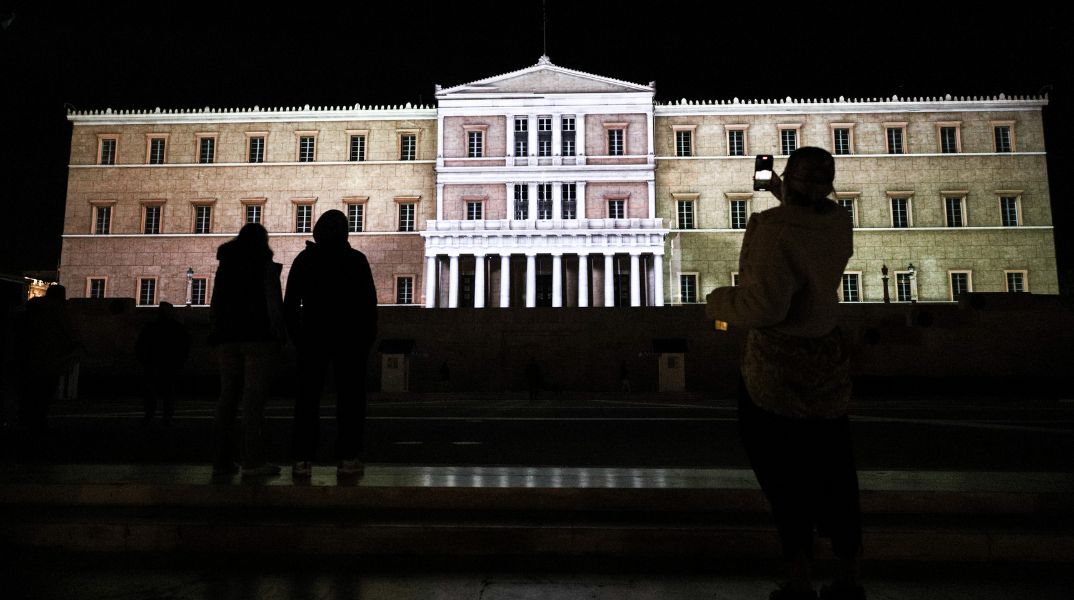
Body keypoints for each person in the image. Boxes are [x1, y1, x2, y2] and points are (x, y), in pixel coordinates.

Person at [706, 147, 864, 600]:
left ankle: (798, 580)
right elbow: (808, 220)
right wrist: (783, 191)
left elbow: (765, 308)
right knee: (835, 472)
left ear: (789, 180)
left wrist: (718, 302)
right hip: (827, 364)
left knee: (784, 479)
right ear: (828, 186)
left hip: (777, 371)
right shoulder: (838, 222)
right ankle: (849, 576)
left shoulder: (773, 230)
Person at [285, 210, 377, 479]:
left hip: (313, 336)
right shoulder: (356, 260)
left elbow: (290, 304)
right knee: (351, 401)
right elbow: (368, 305)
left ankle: (302, 458)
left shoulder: (305, 259)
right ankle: (348, 457)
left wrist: (297, 337)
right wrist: (366, 338)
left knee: (307, 400)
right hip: (350, 338)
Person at [209, 223, 286, 479]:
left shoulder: (226, 265)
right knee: (253, 401)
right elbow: (273, 303)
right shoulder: (264, 265)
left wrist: (216, 331)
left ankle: (221, 461)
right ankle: (252, 461)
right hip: (257, 337)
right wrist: (280, 334)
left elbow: (216, 302)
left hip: (227, 338)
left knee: (227, 399)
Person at [135, 301, 190, 425]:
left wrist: (144, 360)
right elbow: (184, 346)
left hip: (152, 363)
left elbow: (140, 346)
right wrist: (180, 362)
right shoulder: (177, 328)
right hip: (170, 364)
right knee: (168, 392)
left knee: (151, 391)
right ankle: (166, 417)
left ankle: (149, 415)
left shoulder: (150, 327)